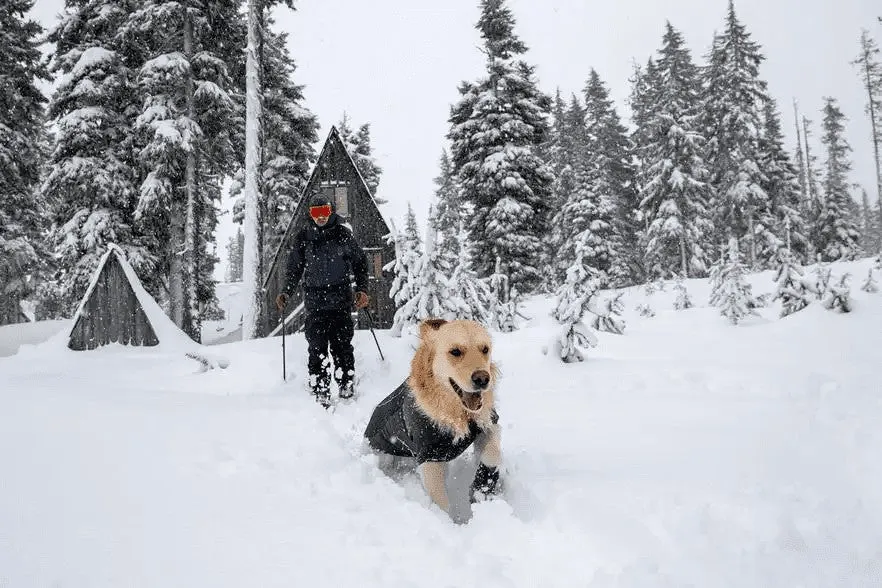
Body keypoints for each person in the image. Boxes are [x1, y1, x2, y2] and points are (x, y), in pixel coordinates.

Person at [275, 193, 370, 407]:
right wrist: (286, 292)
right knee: (316, 349)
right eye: (316, 213)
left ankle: (346, 386)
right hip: (316, 304)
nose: (321, 217)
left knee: (342, 347)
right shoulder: (303, 238)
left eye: (324, 212)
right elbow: (294, 270)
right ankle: (320, 390)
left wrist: (362, 289)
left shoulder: (343, 235)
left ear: (331, 211)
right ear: (310, 214)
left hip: (340, 302)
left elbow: (360, 264)